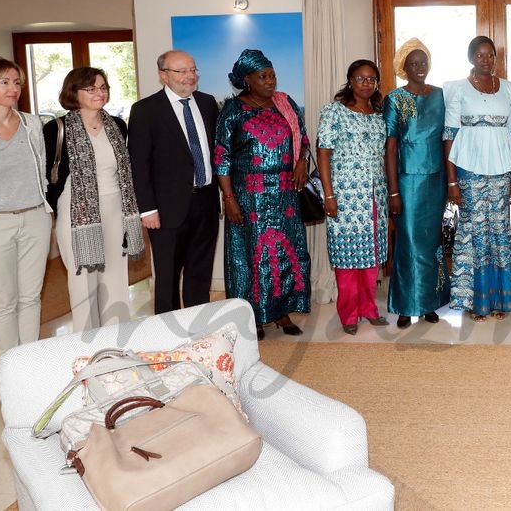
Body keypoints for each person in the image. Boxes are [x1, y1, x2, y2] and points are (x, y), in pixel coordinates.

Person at [214, 49, 311, 341]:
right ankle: (251, 316)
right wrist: (229, 198)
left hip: (285, 194)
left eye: (272, 75)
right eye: (263, 77)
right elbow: (221, 157)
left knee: (285, 252)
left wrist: (302, 160)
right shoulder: (233, 111)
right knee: (250, 257)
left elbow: (302, 138)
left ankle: (282, 312)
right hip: (248, 196)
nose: (271, 81)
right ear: (247, 80)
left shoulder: (285, 103)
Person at [44, 67, 145, 332]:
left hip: (116, 208)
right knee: (82, 280)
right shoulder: (57, 129)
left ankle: (116, 339)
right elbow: (48, 177)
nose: (99, 93)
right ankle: (86, 344)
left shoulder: (117, 125)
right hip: (76, 212)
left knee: (115, 278)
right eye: (91, 88)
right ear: (73, 92)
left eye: (103, 87)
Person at [0, 57, 52, 357]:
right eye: (4, 82)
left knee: (31, 297)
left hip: (35, 219)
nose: (13, 88)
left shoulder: (31, 124)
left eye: (16, 82)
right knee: (3, 300)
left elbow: (41, 170)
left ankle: (27, 361)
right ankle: (8, 366)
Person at [128, 50, 219, 314]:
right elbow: (139, 164)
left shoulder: (207, 102)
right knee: (167, 275)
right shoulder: (145, 110)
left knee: (200, 271)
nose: (190, 76)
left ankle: (198, 329)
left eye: (193, 70)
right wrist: (147, 209)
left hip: (206, 201)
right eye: (182, 71)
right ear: (163, 75)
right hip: (166, 209)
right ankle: (167, 334)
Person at [443, 35, 511, 321]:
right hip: (469, 167)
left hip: (502, 169)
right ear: (470, 57)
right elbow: (449, 135)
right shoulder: (456, 89)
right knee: (474, 230)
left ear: (495, 58)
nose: (485, 59)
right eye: (480, 55)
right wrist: (452, 182)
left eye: (490, 55)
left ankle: (500, 299)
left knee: (500, 229)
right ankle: (476, 301)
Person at [318, 60, 390, 335]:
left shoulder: (379, 114)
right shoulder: (333, 112)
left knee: (371, 258)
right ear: (350, 80)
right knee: (347, 258)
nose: (366, 83)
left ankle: (369, 309)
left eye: (371, 79)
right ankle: (349, 314)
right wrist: (329, 194)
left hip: (375, 196)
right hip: (345, 196)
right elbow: (324, 153)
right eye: (360, 78)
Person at [384, 38, 449, 329]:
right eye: (414, 63)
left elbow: (448, 139)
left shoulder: (441, 96)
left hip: (436, 181)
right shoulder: (395, 99)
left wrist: (451, 182)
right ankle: (406, 305)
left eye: (423, 62)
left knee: (432, 242)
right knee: (408, 244)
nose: (419, 67)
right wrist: (393, 190)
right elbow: (390, 147)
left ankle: (429, 303)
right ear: (404, 68)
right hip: (407, 182)